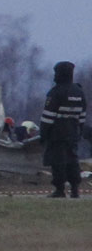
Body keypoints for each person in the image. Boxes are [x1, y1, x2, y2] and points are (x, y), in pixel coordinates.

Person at [40, 61, 87, 198]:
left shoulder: (56, 93)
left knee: (58, 161)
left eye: (56, 73)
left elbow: (48, 116)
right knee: (73, 160)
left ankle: (59, 190)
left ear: (60, 74)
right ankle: (75, 189)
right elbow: (82, 116)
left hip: (57, 133)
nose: (54, 76)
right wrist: (79, 130)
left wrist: (44, 134)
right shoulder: (79, 92)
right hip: (73, 132)